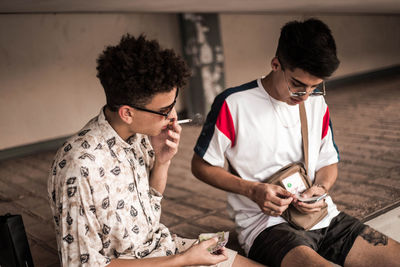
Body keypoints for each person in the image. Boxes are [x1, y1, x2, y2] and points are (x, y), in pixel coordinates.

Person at [191, 18, 400, 267]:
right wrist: (252, 190)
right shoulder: (233, 103)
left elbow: (328, 163)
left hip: (322, 217)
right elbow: (201, 166)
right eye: (298, 85)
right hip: (266, 226)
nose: (306, 96)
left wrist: (321, 188)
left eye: (315, 87)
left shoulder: (317, 103)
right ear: (276, 64)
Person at [47, 34, 264, 267]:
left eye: (173, 104)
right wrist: (183, 260)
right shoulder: (79, 167)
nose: (173, 116)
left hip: (163, 248)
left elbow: (150, 210)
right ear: (127, 113)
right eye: (164, 110)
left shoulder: (139, 136)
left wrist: (162, 161)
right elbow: (83, 265)